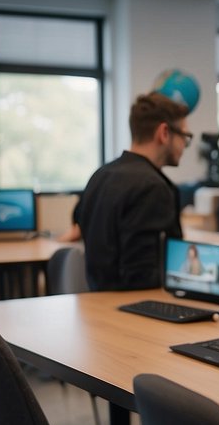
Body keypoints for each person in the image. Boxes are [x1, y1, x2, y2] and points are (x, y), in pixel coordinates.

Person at [75, 92, 189, 291]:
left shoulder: (100, 175)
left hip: (95, 305)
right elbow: (141, 276)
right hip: (134, 311)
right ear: (164, 132)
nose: (184, 146)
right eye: (185, 137)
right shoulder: (153, 188)